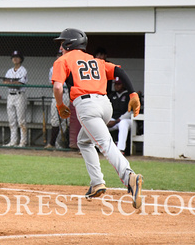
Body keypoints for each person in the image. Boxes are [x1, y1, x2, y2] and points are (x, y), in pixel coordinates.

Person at [51, 28, 143, 209]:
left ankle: (129, 176)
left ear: (70, 44)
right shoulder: (96, 60)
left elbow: (58, 87)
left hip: (87, 106)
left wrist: (60, 105)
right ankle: (97, 183)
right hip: (105, 105)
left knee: (106, 144)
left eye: (63, 43)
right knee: (83, 142)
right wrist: (133, 93)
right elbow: (118, 70)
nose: (60, 47)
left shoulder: (62, 60)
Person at [2, 50, 28, 147]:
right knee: (11, 120)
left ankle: (23, 142)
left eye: (17, 57)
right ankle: (13, 141)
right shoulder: (9, 71)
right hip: (10, 96)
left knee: (21, 120)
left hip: (20, 95)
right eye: (13, 57)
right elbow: (5, 82)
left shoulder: (23, 70)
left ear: (21, 59)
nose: (15, 59)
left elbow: (20, 83)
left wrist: (11, 82)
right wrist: (13, 82)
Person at [46, 55, 70, 150]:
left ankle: (59, 143)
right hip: (56, 94)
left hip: (66, 94)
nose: (60, 57)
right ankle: (52, 143)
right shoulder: (53, 68)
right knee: (55, 119)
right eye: (58, 55)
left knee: (64, 120)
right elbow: (52, 82)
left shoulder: (69, 67)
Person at [107, 77, 133, 155]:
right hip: (112, 120)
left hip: (125, 120)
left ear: (124, 85)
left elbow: (130, 112)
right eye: (115, 84)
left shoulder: (129, 95)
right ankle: (95, 147)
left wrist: (116, 121)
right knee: (99, 124)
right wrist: (106, 120)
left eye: (119, 84)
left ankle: (120, 149)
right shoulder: (111, 95)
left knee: (123, 123)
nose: (116, 86)